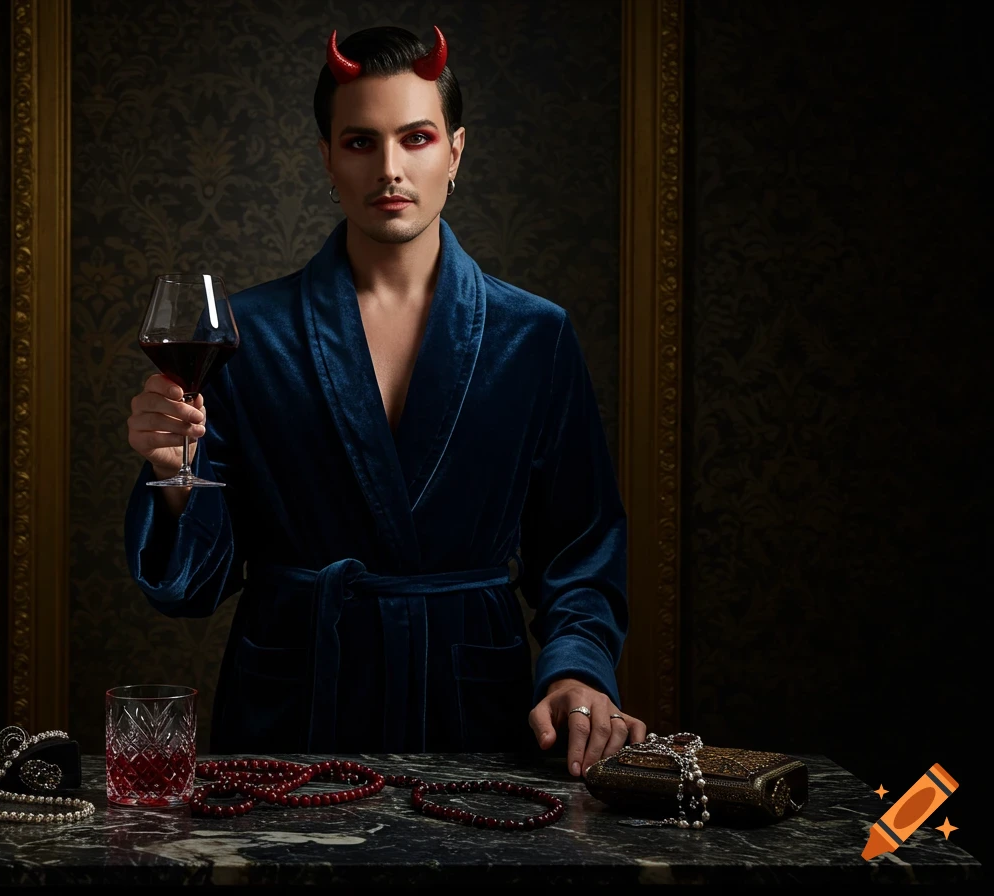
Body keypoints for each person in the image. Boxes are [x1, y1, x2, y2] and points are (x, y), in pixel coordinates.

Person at [124, 25, 645, 778]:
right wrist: (175, 477)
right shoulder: (245, 335)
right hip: (295, 705)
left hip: (475, 710)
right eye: (362, 142)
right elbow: (191, 590)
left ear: (456, 152)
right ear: (328, 158)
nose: (391, 170)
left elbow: (581, 545)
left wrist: (577, 669)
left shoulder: (535, 335)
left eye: (418, 137)